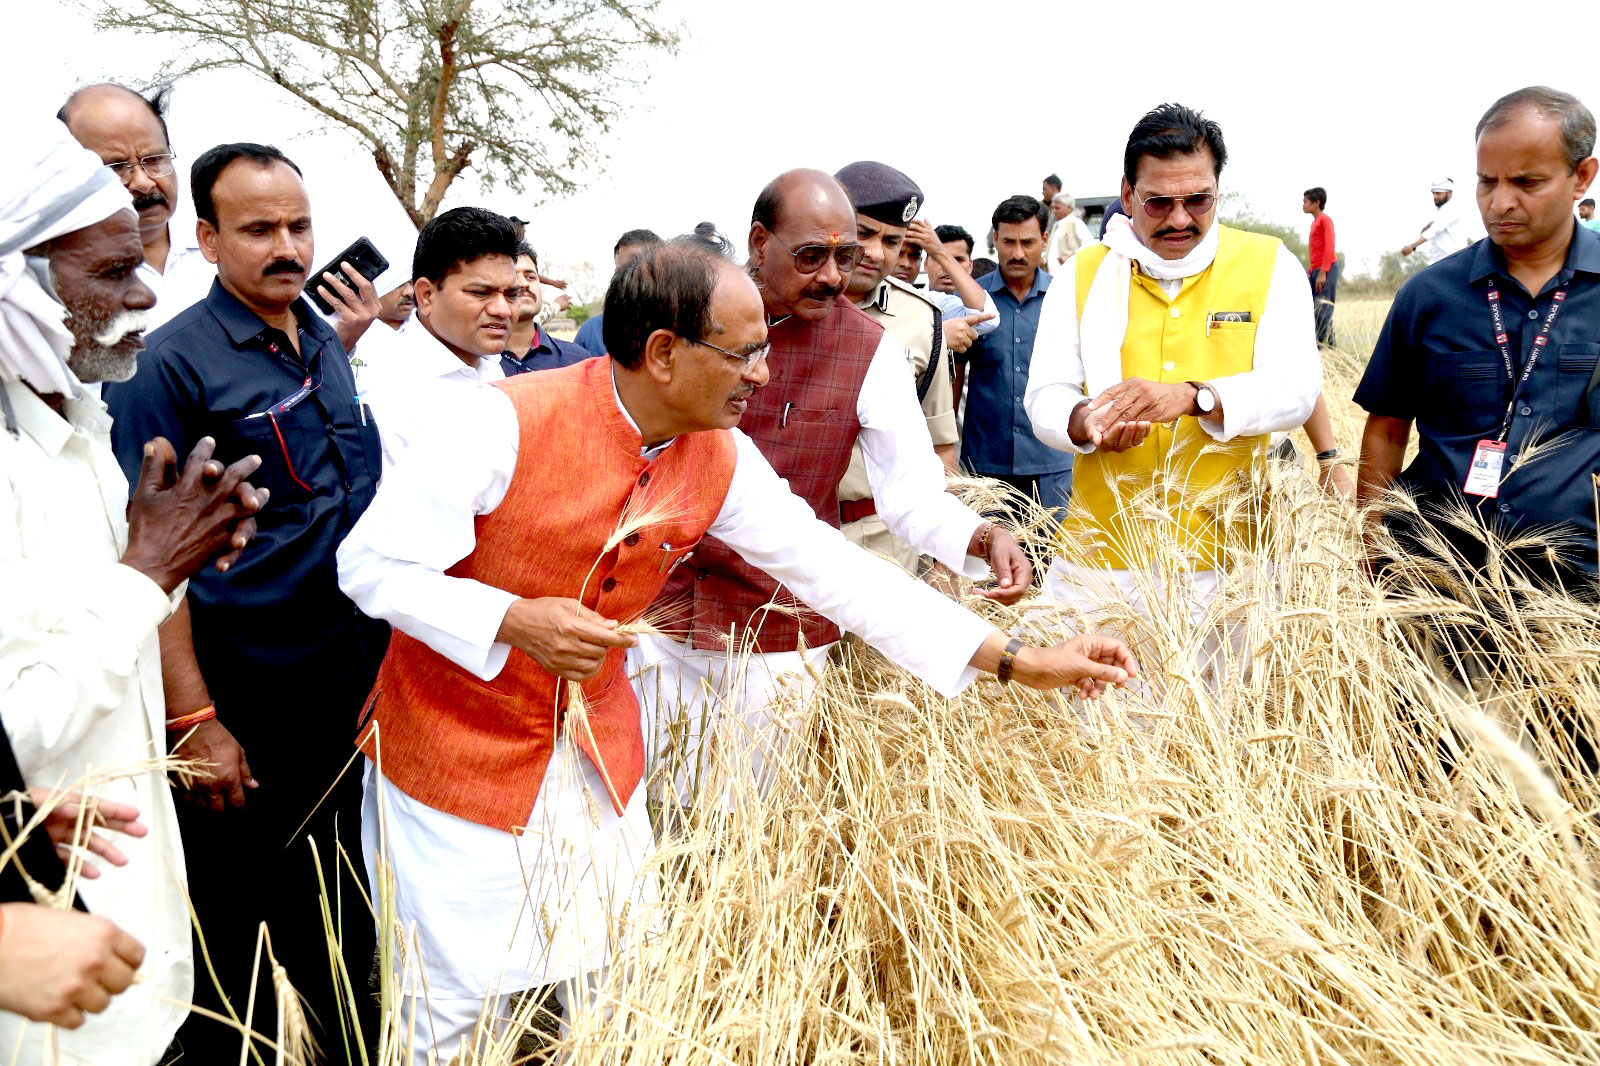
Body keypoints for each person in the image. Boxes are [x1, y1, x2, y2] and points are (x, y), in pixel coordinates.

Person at [335, 237, 1136, 1061]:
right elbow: (369, 567)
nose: (764, 373)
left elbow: (834, 572)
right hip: (452, 763)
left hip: (593, 759)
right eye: (746, 353)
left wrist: (1015, 660)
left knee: (608, 991)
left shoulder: (718, 456)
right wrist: (512, 619)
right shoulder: (500, 423)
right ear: (663, 354)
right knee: (451, 1013)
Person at [102, 141, 388, 1059]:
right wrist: (195, 716)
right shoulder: (168, 368)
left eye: (298, 224)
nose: (287, 245)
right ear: (207, 237)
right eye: (259, 228)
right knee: (249, 926)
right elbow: (153, 560)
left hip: (351, 681)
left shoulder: (321, 341)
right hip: (248, 699)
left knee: (346, 904)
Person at [635, 170, 1035, 802]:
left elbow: (910, 492)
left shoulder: (868, 350)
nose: (831, 277)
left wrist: (981, 537)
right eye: (811, 256)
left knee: (758, 825)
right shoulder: (682, 315)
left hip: (779, 639)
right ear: (759, 241)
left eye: (844, 257)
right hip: (653, 622)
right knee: (646, 817)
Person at [2, 117, 267, 1063]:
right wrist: (148, 572)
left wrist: (177, 552)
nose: (146, 294)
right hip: (36, 961)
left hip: (124, 923)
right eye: (110, 275)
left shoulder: (73, 420)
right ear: (12, 286)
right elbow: (19, 730)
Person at [1024, 103, 1322, 661]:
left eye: (1198, 201)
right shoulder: (1084, 274)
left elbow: (1297, 388)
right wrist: (1085, 421)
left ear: (1218, 192)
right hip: (1103, 560)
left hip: (1234, 561)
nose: (1179, 218)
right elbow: (1045, 395)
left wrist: (1195, 396)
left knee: (1227, 730)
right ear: (1128, 193)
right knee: (1100, 735)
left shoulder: (1268, 265)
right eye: (1159, 201)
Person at [1357, 86, 1600, 590]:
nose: (1500, 202)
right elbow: (1387, 427)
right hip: (1435, 577)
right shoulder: (1429, 295)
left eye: (1526, 182)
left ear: (1582, 176)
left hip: (1577, 583)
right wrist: (1371, 543)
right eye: (1486, 182)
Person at [831, 162, 996, 570]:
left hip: (886, 541)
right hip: (789, 535)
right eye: (864, 233)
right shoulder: (781, 307)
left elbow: (942, 447)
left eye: (892, 240)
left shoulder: (922, 319)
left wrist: (946, 563)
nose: (875, 253)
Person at [359, 208, 521, 470]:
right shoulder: (391, 394)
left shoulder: (491, 366)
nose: (502, 309)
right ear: (426, 295)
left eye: (512, 295)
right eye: (481, 293)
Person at [962, 194, 1075, 511]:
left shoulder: (1065, 299)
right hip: (985, 467)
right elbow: (952, 378)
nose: (1017, 253)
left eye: (1027, 242)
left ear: (1044, 239)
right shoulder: (975, 300)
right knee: (987, 560)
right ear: (995, 239)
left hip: (1052, 463)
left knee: (1051, 559)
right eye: (1008, 242)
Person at [501, 241, 593, 375]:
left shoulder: (577, 360)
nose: (524, 283)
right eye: (513, 276)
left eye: (530, 277)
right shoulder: (471, 363)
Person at [573, 228, 661, 355]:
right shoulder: (592, 331)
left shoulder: (683, 329)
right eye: (621, 271)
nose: (627, 277)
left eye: (636, 267)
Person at [1402, 177, 1474, 261]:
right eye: (1434, 193)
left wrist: (1412, 246)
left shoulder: (1453, 208)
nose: (1435, 196)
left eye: (1438, 193)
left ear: (1449, 193)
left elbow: (1434, 230)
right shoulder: (1441, 210)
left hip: (1453, 260)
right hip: (1438, 261)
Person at [1303, 186, 1338, 348]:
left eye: (1306, 202)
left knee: (1324, 308)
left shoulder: (1325, 220)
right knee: (1314, 309)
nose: (1303, 205)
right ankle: (1319, 345)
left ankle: (1328, 347)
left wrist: (1323, 272)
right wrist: (1312, 271)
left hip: (1326, 269)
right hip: (1316, 270)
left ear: (1317, 203)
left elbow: (1329, 246)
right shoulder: (1315, 222)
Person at [1045, 192, 1092, 272]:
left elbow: (1090, 244)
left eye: (1057, 208)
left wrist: (1071, 256)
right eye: (1053, 208)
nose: (1054, 211)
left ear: (1069, 208)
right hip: (1053, 276)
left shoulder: (1075, 222)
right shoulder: (1057, 224)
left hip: (1069, 274)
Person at [925, 224, 977, 295]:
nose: (947, 267)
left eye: (957, 260)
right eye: (939, 259)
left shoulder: (985, 304)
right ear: (926, 264)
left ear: (970, 266)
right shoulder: (907, 303)